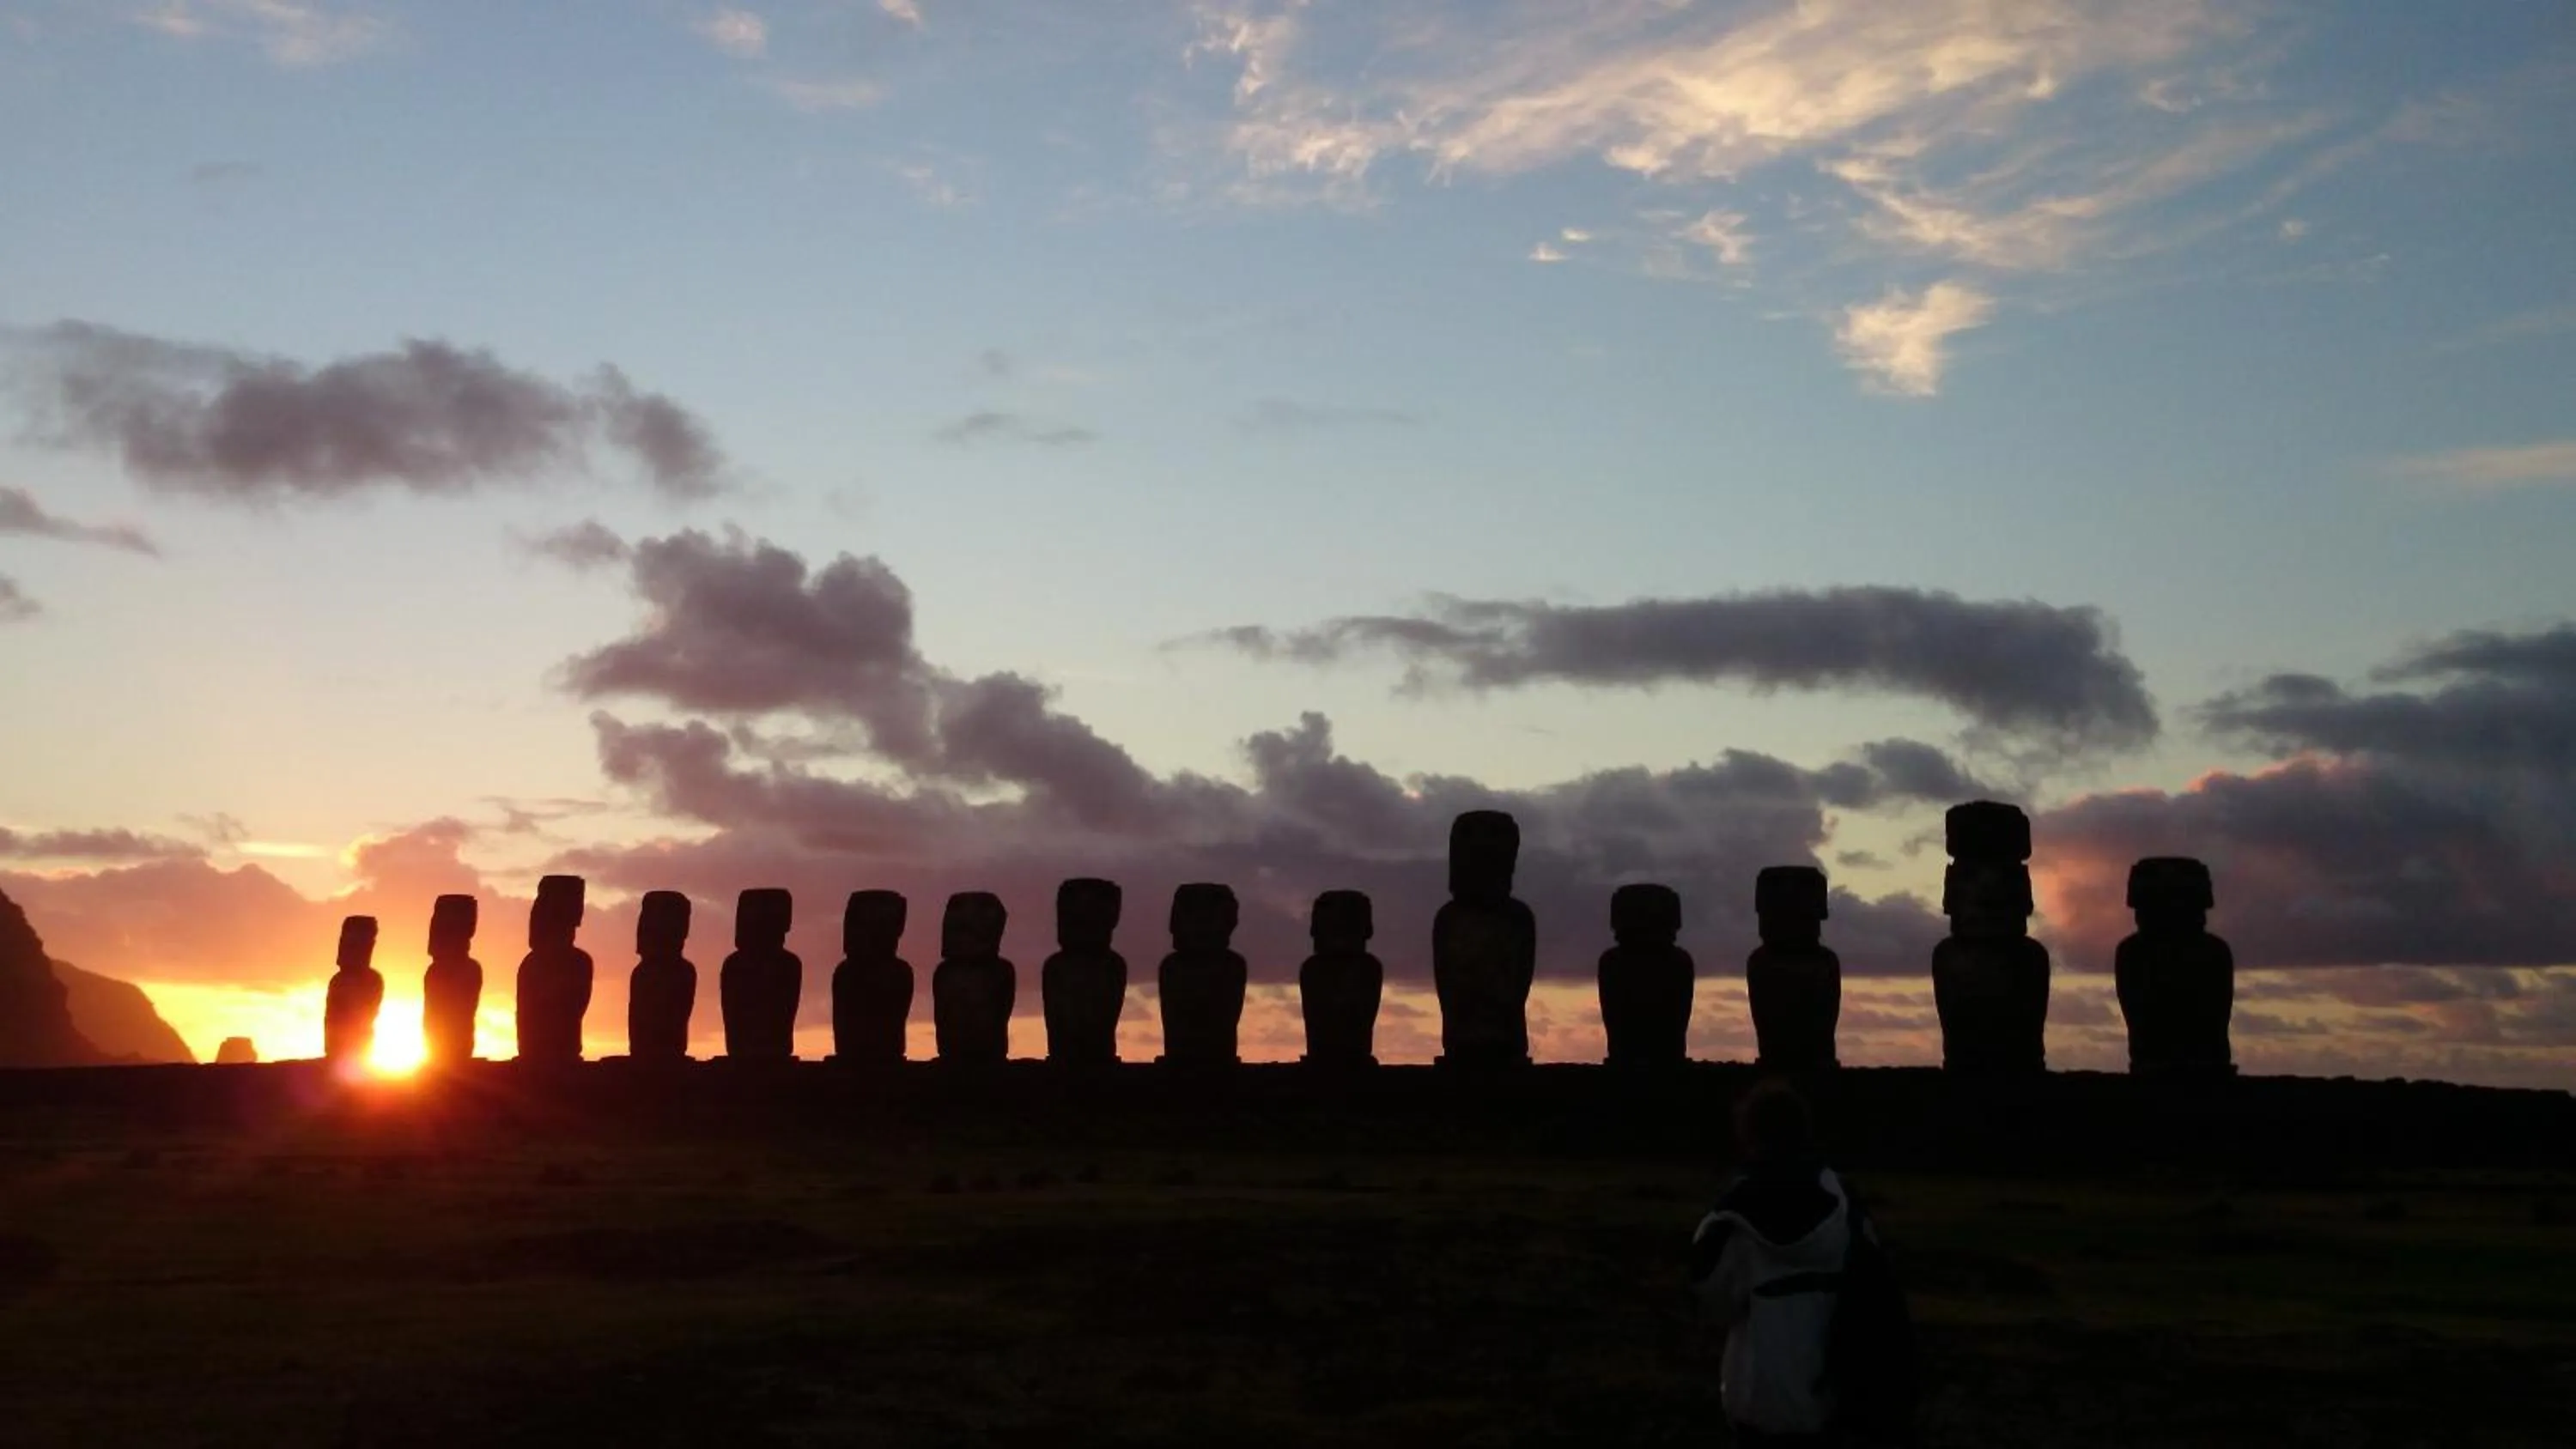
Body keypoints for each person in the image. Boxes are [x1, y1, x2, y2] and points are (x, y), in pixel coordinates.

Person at [1688, 1079, 1913, 1446]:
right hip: (1833, 1393)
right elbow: (1877, 1291)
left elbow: (1711, 1300)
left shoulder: (1733, 1214)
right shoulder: (1846, 1205)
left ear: (1749, 1135)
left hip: (1759, 1398)